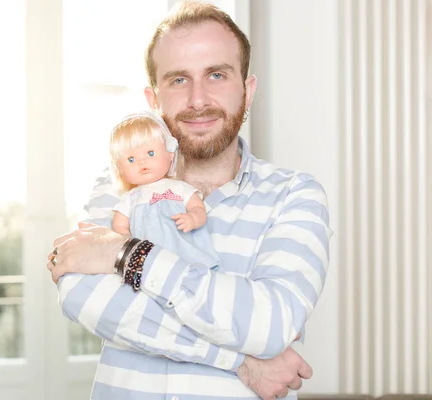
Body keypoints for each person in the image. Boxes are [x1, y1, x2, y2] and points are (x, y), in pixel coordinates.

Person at [47, 1, 332, 399]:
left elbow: (269, 325)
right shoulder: (117, 188)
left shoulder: (294, 195)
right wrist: (241, 361)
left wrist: (129, 255)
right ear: (153, 99)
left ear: (247, 91)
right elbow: (85, 296)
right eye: (179, 80)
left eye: (216, 74)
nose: (198, 99)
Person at [110, 111, 220, 269]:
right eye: (131, 160)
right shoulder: (131, 198)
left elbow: (197, 207)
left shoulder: (178, 187)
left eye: (150, 153)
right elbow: (120, 227)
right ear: (121, 169)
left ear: (170, 154)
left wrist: (193, 219)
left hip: (184, 254)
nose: (142, 162)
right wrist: (127, 243)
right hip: (149, 260)